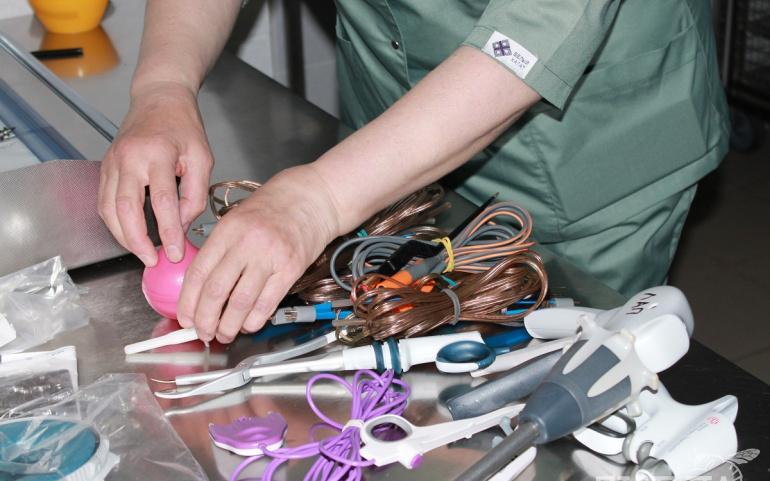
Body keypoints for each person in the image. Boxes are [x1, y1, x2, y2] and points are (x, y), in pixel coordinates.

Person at [98, 0, 729, 345]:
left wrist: (321, 198)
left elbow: (539, 25)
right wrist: (164, 86)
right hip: (391, 134)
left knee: (566, 370)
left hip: (589, 147)